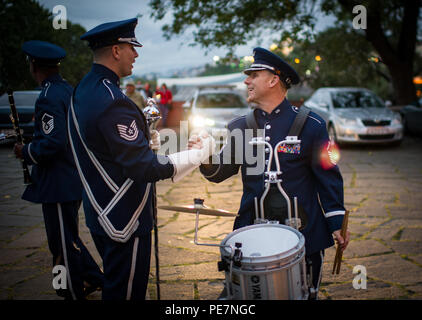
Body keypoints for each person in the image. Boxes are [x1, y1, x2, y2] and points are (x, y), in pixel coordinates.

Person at [69, 17, 215, 300]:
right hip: (124, 217)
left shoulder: (84, 89)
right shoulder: (113, 100)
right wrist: (198, 154)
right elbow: (143, 167)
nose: (136, 54)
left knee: (120, 285)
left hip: (99, 211)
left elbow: (103, 147)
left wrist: (141, 143)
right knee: (126, 294)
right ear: (115, 50)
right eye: (131, 47)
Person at [192, 47, 350, 300]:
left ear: (273, 79)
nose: (246, 81)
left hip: (305, 235)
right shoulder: (239, 126)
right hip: (251, 236)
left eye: (253, 75)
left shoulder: (313, 125)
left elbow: (328, 176)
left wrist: (336, 222)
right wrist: (205, 155)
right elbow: (220, 172)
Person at [14, 40, 104, 300]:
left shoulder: (48, 96)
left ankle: (71, 292)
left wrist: (26, 151)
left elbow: (53, 141)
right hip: (71, 178)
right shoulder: (66, 90)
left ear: (33, 65)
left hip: (58, 181)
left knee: (61, 243)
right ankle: (97, 279)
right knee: (67, 237)